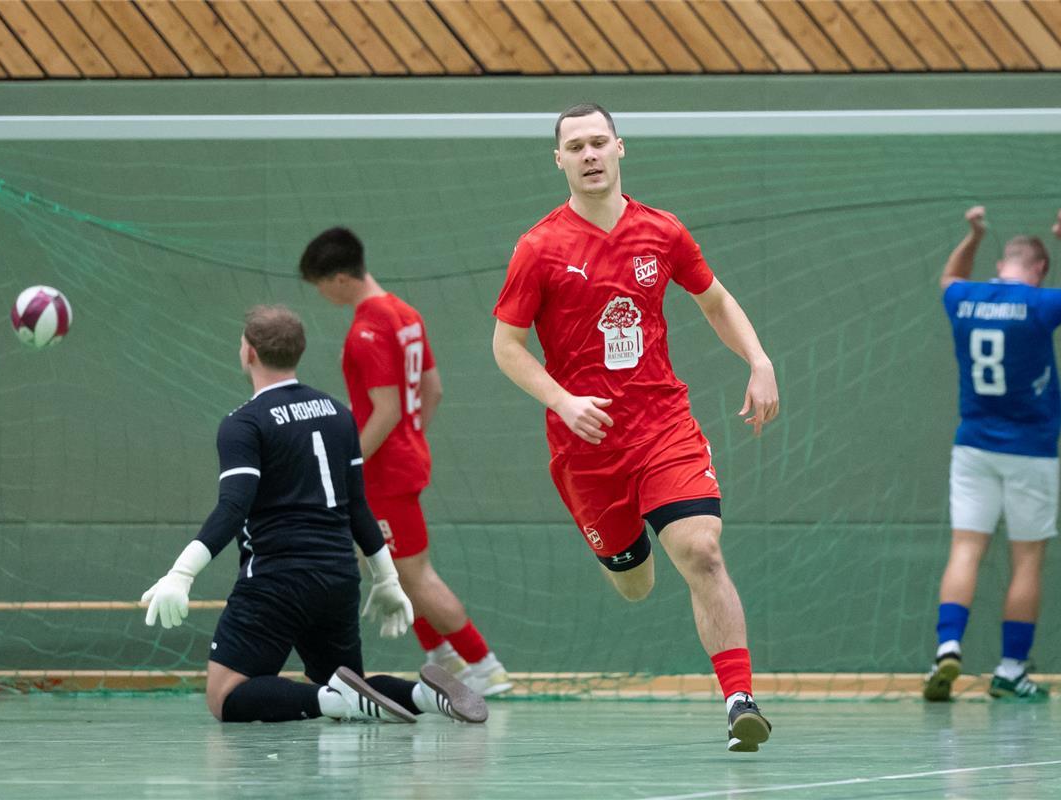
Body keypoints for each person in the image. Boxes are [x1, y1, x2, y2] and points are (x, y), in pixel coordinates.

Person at [491, 103, 778, 752]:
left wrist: (758, 360)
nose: (590, 154)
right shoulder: (538, 248)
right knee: (635, 583)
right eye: (576, 146)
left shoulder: (662, 231)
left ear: (620, 149)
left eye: (599, 142)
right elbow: (506, 347)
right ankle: (623, 549)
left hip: (662, 428)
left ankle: (739, 701)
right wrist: (562, 401)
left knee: (702, 551)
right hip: (586, 450)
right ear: (559, 160)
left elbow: (714, 299)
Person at [140, 305, 488, 725]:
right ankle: (425, 695)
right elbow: (358, 506)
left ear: (248, 353)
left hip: (276, 579)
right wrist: (386, 579)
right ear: (298, 352)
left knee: (225, 695)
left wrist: (181, 575)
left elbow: (234, 507)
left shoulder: (244, 424)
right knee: (346, 678)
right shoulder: (339, 414)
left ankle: (334, 701)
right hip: (339, 577)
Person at [300, 229, 512, 697]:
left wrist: (348, 465)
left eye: (319, 284)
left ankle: (484, 664)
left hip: (384, 473)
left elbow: (388, 409)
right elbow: (431, 392)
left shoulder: (366, 329)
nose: (320, 294)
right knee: (392, 569)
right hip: (401, 461)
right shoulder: (406, 314)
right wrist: (409, 441)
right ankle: (443, 655)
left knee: (413, 575)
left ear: (338, 279)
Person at [925, 206, 1061, 702]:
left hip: (973, 447)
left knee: (965, 549)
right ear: (1040, 270)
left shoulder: (964, 298)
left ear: (1001, 264)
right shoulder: (1041, 304)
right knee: (1026, 560)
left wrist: (973, 234)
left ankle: (947, 648)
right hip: (1031, 450)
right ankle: (1010, 669)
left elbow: (949, 276)